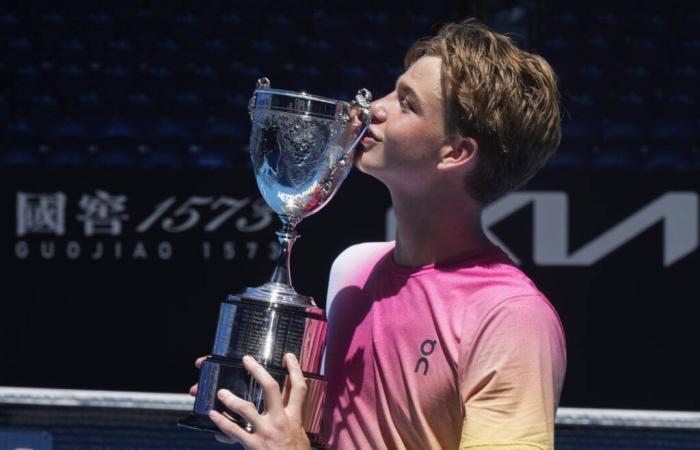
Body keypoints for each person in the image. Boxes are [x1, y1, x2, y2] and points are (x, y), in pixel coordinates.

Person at [194, 17, 567, 450]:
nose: (374, 108)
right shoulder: (354, 268)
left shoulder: (512, 316)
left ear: (456, 153)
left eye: (407, 103)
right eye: (394, 89)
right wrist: (258, 412)